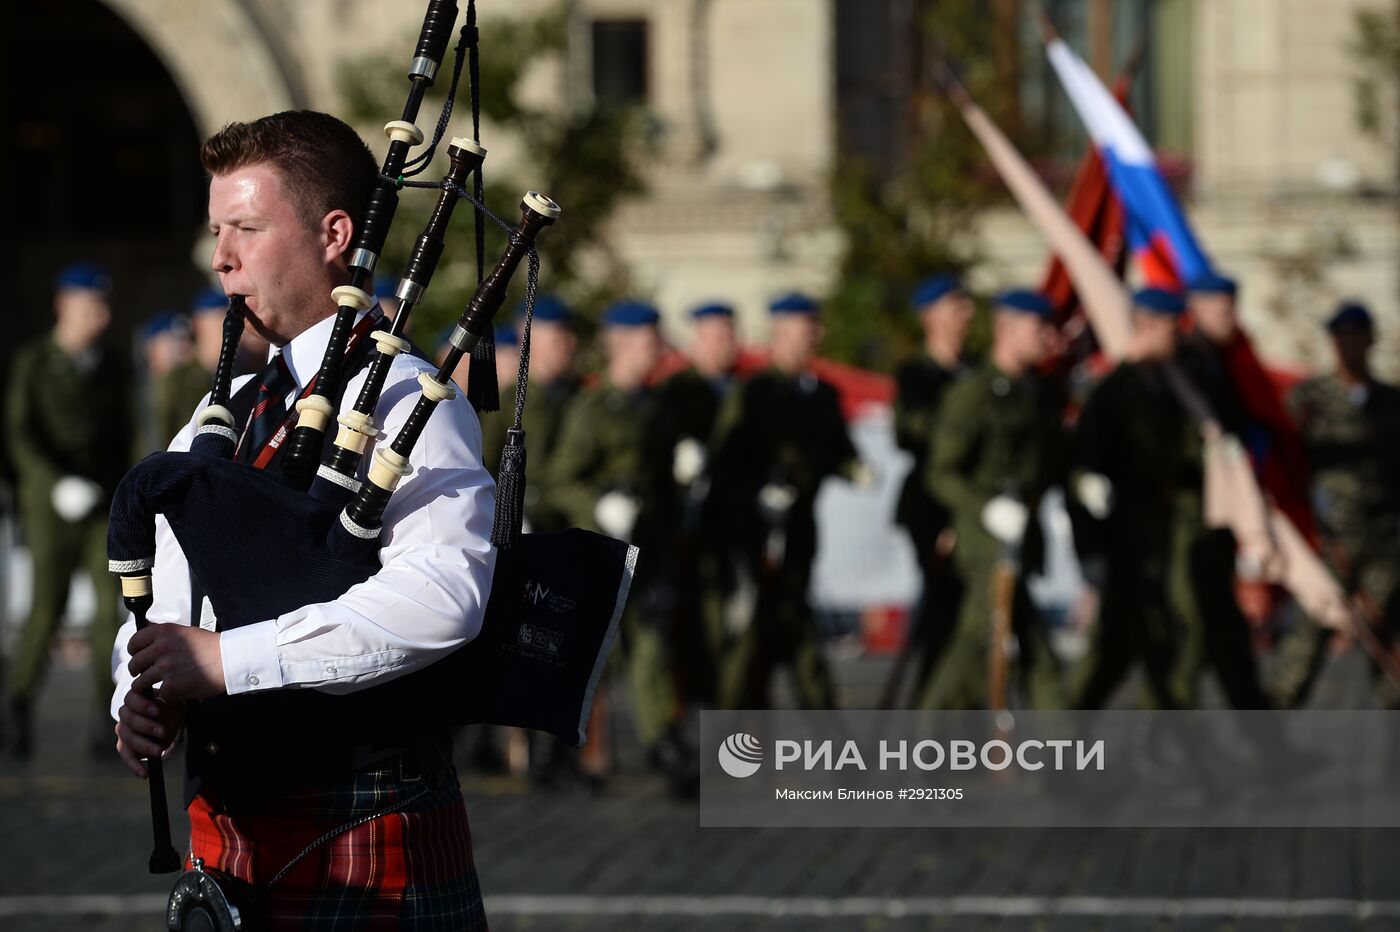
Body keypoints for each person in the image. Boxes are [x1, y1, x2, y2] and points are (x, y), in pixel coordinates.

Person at [109, 111, 493, 929]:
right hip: (227, 834)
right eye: (217, 230)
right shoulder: (225, 414)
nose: (221, 256)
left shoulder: (402, 397)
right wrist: (137, 691)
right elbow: (168, 596)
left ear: (334, 235)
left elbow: (444, 595)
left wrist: (225, 661)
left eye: (245, 227)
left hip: (360, 819)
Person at [542, 300, 694, 791]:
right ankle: (574, 752)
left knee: (650, 647)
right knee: (592, 656)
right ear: (623, 345)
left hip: (645, 553)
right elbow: (561, 480)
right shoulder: (592, 408)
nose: (659, 351)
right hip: (601, 554)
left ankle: (661, 743)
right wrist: (599, 506)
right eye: (651, 342)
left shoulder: (657, 406)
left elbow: (663, 488)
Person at [709, 292, 869, 710]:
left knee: (797, 625)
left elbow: (838, 450)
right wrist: (757, 494)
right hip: (753, 533)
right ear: (778, 335)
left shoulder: (822, 395)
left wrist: (855, 468)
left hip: (798, 530)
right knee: (750, 636)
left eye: (811, 331)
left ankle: (828, 738)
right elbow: (727, 459)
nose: (808, 340)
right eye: (799, 332)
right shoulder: (754, 392)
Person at [5, 262, 132, 758]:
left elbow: (125, 433)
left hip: (98, 499)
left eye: (102, 307)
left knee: (107, 613)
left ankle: (109, 721)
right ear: (63, 306)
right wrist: (52, 483)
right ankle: (17, 709)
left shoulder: (110, 364)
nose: (97, 317)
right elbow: (20, 432)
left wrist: (131, 491)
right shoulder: (34, 361)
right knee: (45, 609)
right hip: (49, 505)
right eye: (87, 307)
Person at [920, 289, 1064, 710]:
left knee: (1027, 647)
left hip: (1020, 536)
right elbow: (941, 471)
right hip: (985, 544)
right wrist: (987, 508)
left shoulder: (1032, 392)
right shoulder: (974, 393)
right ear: (1007, 329)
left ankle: (1066, 756)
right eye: (1039, 328)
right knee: (977, 647)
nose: (1047, 338)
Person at [1072, 288, 1198, 708]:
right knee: (1123, 648)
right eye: (1172, 328)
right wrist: (1090, 550)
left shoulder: (1166, 389)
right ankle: (1061, 749)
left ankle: (1158, 749)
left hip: (1155, 539)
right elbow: (1082, 472)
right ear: (1149, 326)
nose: (1178, 338)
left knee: (1147, 647)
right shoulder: (1113, 392)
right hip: (1122, 545)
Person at [1275, 302, 1400, 708]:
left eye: (1357, 335)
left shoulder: (1392, 403)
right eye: (1341, 336)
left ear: (1371, 340)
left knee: (1388, 649)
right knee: (1304, 646)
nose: (1350, 344)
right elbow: (1285, 464)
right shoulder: (1309, 399)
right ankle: (1267, 740)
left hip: (1383, 545)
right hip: (1327, 543)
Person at [1172, 273, 1274, 709]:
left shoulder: (1220, 361)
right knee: (1192, 634)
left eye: (1232, 306)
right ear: (1196, 308)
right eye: (1220, 307)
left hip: (1218, 517)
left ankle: (1267, 740)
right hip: (1192, 518)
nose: (1229, 316)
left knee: (1228, 634)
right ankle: (1155, 741)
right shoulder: (1185, 363)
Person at [656, 301, 744, 706]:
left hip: (733, 528)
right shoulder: (677, 391)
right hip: (685, 530)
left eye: (729, 334)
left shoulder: (743, 390)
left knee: (732, 631)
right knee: (688, 632)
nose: (725, 344)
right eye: (716, 335)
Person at [894, 275, 974, 707]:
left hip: (974, 508)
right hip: (932, 506)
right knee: (943, 615)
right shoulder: (916, 374)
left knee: (975, 620)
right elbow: (908, 434)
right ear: (929, 316)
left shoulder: (976, 369)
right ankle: (929, 714)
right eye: (953, 304)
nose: (966, 313)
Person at [481, 295, 580, 531]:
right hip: (522, 515)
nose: (569, 344)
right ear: (531, 339)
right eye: (558, 337)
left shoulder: (577, 395)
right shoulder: (507, 401)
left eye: (568, 335)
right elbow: (485, 465)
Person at [154, 288, 226, 447]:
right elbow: (159, 437)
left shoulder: (245, 374)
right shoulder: (177, 379)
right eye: (219, 317)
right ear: (198, 323)